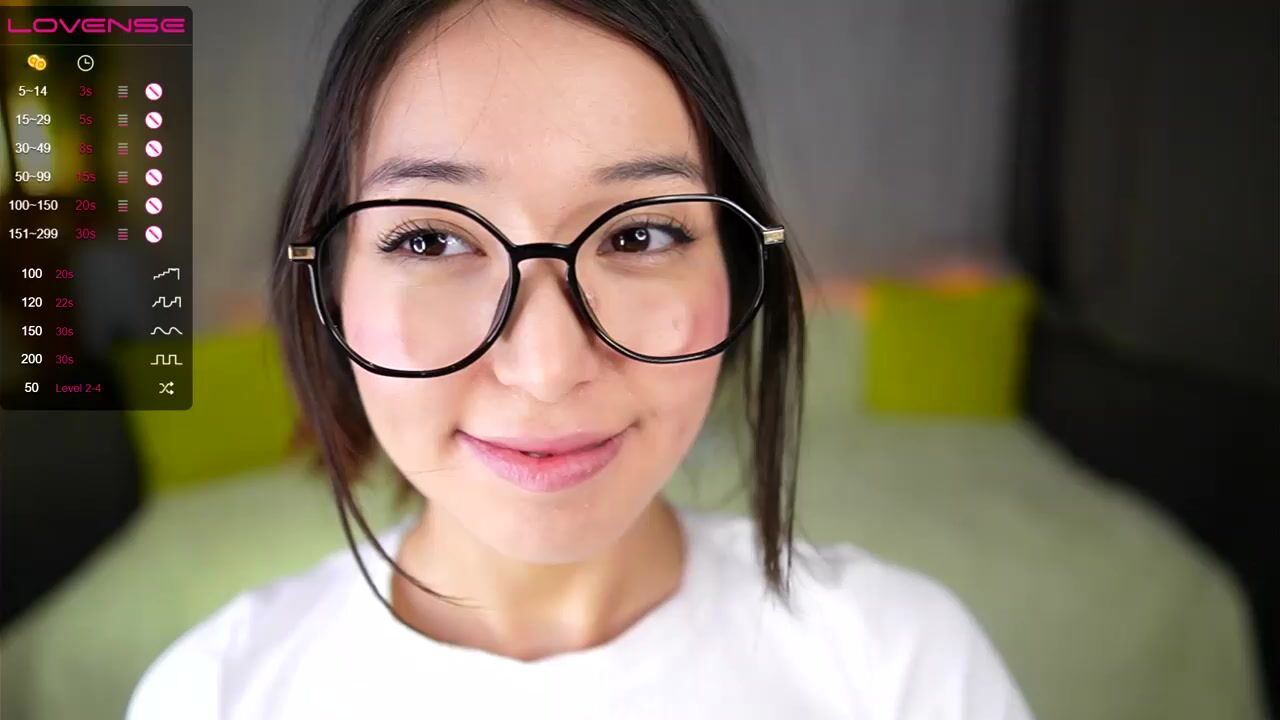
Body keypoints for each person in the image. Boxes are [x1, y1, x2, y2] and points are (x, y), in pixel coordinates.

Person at [127, 0, 1034, 717]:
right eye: (432, 240)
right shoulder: (213, 694)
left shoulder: (903, 667)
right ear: (328, 283)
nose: (548, 367)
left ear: (735, 263)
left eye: (640, 234)